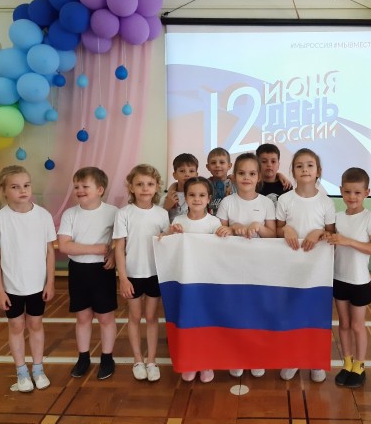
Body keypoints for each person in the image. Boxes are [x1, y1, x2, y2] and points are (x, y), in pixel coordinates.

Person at [0, 165, 56, 393]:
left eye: (26, 185)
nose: (23, 190)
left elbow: (50, 251)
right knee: (16, 325)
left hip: (37, 285)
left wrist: (50, 282)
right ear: (4, 191)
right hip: (11, 286)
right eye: (15, 187)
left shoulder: (43, 216)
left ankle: (38, 369)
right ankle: (22, 372)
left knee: (35, 324)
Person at [162, 176, 231, 383]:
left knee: (206, 323)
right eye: (192, 195)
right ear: (186, 198)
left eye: (202, 195)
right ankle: (190, 362)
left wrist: (224, 233)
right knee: (187, 322)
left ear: (209, 198)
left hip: (207, 283)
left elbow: (222, 251)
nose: (197, 199)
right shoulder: (178, 221)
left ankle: (206, 361)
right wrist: (170, 234)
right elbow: (165, 245)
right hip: (185, 284)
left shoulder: (214, 223)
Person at [276, 148, 336, 383]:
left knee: (315, 316)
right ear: (292, 171)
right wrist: (286, 229)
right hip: (290, 268)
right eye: (299, 166)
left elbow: (330, 234)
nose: (305, 169)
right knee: (291, 314)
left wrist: (319, 232)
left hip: (317, 272)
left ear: (318, 171)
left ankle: (315, 360)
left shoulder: (326, 202)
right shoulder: (285, 200)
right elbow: (277, 230)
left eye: (310, 165)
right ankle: (292, 358)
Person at [216, 153, 277, 378]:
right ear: (233, 176)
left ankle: (256, 355)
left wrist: (258, 227)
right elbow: (218, 231)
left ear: (259, 177)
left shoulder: (266, 203)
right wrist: (234, 228)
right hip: (232, 268)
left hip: (260, 269)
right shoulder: (227, 202)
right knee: (236, 312)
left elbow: (273, 235)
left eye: (252, 173)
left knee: (258, 312)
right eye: (241, 173)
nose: (246, 178)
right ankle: (237, 355)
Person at [57, 167, 118, 380]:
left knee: (105, 317)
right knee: (83, 317)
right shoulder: (70, 214)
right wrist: (97, 249)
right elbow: (64, 245)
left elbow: (120, 241)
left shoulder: (113, 212)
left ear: (100, 189)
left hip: (102, 271)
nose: (79, 190)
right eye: (76, 186)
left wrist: (114, 255)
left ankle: (107, 357)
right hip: (78, 271)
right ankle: (83, 357)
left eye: (85, 186)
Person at [113, 164, 170, 382]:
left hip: (155, 273)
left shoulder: (162, 214)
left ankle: (152, 360)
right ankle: (138, 359)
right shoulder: (123, 213)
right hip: (133, 274)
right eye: (140, 184)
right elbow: (119, 247)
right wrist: (123, 278)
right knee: (135, 317)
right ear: (131, 187)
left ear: (156, 187)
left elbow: (166, 243)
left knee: (152, 317)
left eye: (150, 184)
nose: (145, 188)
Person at [327, 167, 371, 388]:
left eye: (357, 192)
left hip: (359, 281)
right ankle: (347, 363)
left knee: (358, 325)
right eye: (348, 192)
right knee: (344, 323)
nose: (352, 197)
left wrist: (348, 241)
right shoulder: (337, 218)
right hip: (339, 278)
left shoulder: (370, 217)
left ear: (366, 193)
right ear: (341, 190)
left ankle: (360, 365)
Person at [162, 153, 199, 222]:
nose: (187, 174)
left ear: (196, 175)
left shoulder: (200, 196)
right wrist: (166, 207)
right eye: (182, 171)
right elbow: (158, 218)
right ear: (174, 175)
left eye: (191, 171)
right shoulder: (168, 197)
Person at [205, 147, 236, 216]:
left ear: (229, 166)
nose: (217, 165)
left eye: (222, 162)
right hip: (211, 220)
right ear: (208, 167)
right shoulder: (205, 185)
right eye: (213, 163)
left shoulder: (235, 184)